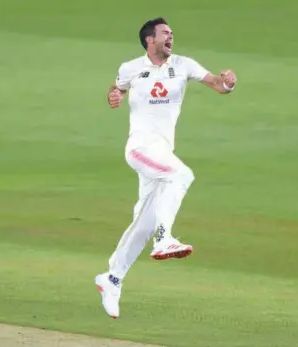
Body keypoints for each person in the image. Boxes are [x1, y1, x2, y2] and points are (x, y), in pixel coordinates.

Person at [95, 17, 237, 318]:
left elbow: (216, 83)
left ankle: (112, 278)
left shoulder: (183, 65)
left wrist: (228, 82)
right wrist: (114, 95)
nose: (171, 37)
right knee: (181, 174)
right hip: (141, 148)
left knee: (144, 221)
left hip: (161, 152)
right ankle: (164, 239)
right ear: (150, 40)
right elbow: (117, 87)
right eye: (165, 33)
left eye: (172, 33)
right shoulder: (130, 68)